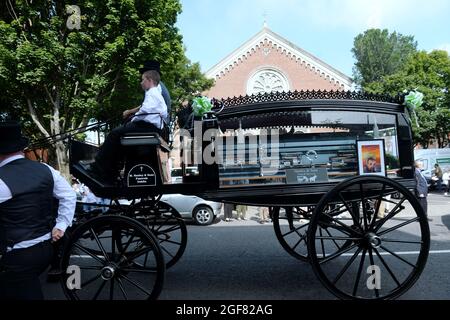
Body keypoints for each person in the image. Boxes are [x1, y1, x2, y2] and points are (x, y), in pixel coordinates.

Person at [0, 120, 76, 300]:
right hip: (46, 250)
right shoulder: (46, 169)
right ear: (21, 147)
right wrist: (61, 225)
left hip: (17, 257)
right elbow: (69, 195)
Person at [92, 69, 168, 182]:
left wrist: (132, 115)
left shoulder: (151, 92)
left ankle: (99, 168)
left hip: (145, 127)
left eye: (142, 80)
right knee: (118, 136)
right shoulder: (156, 94)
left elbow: (145, 109)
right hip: (150, 127)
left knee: (113, 134)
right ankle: (112, 170)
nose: (141, 83)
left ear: (150, 80)